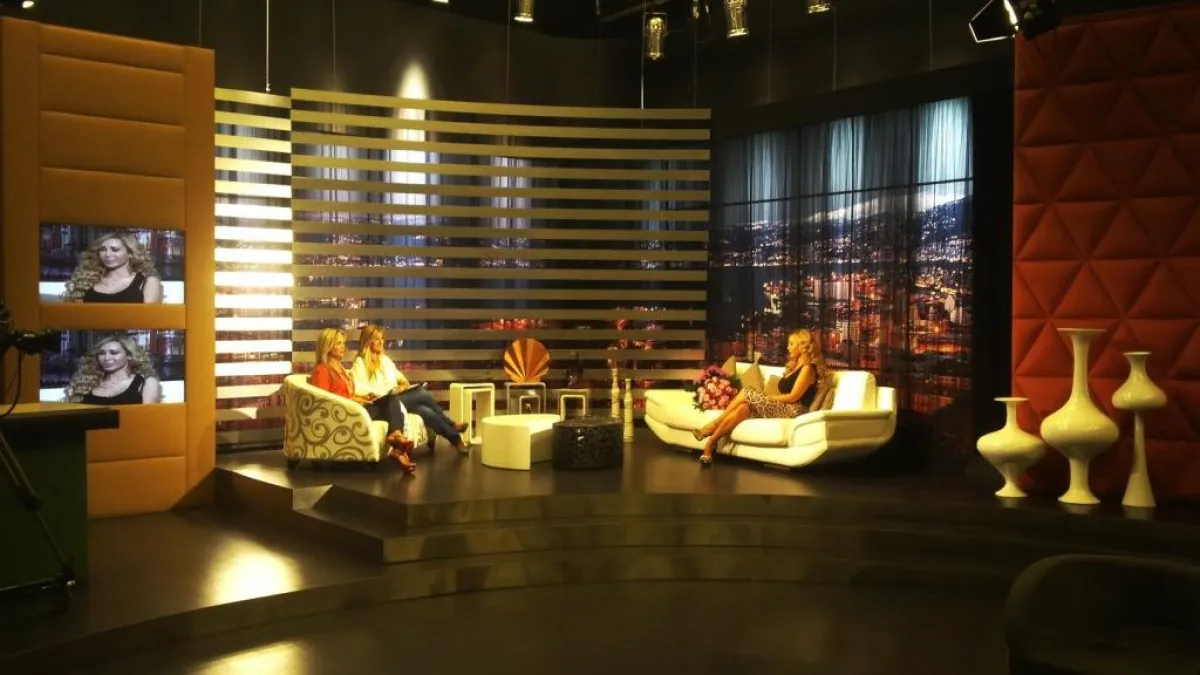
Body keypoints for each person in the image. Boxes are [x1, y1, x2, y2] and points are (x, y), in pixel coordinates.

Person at [691, 328, 831, 466]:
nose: (788, 348)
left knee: (747, 392)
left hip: (795, 410)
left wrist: (766, 398)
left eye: (791, 344)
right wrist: (765, 398)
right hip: (785, 406)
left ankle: (712, 425)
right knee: (743, 408)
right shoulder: (794, 366)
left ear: (802, 346)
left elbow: (793, 397)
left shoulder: (807, 368)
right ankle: (711, 443)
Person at [350, 324, 470, 454]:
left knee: (424, 411)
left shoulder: (385, 360)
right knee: (422, 393)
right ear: (368, 341)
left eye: (382, 338)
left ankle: (456, 440)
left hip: (395, 398)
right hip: (382, 403)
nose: (381, 342)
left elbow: (402, 379)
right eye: (377, 339)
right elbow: (358, 387)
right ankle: (451, 424)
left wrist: (401, 386)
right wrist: (382, 392)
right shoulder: (360, 362)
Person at [310, 327, 417, 473]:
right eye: (338, 343)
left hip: (354, 409)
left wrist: (362, 398)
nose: (343, 347)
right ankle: (397, 444)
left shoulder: (340, 369)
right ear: (327, 346)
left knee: (391, 400)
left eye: (343, 343)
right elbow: (324, 400)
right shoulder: (322, 370)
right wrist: (355, 402)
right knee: (391, 402)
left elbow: (346, 393)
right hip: (344, 414)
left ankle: (396, 444)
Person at [62, 232, 164, 304]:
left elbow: (150, 320)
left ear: (130, 254)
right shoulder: (86, 281)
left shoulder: (148, 282)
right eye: (103, 250)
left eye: (115, 250)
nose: (107, 254)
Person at [65, 334, 163, 405]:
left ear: (129, 356)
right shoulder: (86, 383)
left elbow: (147, 419)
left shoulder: (146, 383)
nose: (107, 358)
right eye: (102, 353)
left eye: (114, 353)